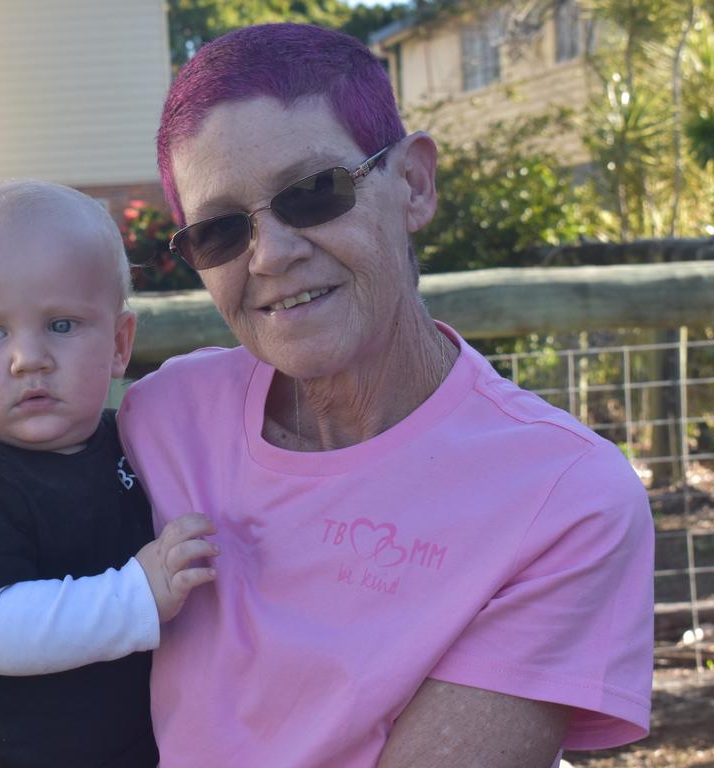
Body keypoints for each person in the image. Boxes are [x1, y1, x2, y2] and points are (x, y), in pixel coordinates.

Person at [116, 23, 655, 768]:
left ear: (414, 184)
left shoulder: (562, 499)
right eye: (219, 231)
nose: (271, 254)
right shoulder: (161, 422)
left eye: (313, 193)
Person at [0, 180, 217, 768]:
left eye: (61, 325)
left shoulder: (133, 444)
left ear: (119, 344)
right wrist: (135, 595)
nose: (28, 358)